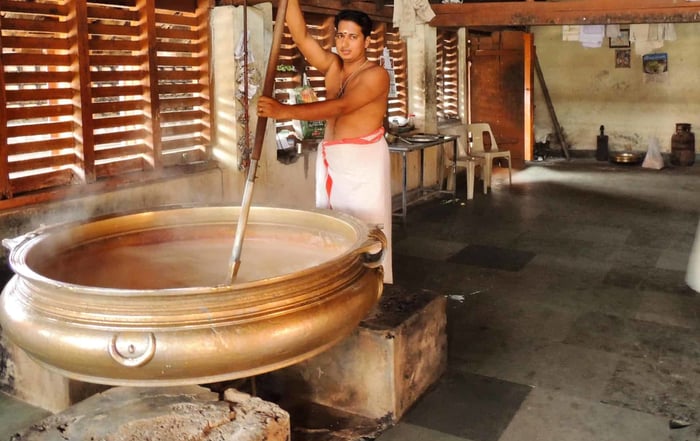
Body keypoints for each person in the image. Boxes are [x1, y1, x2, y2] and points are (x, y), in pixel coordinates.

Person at [257, 1, 393, 284]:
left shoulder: (376, 75)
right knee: (333, 226)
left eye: (353, 36)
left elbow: (342, 107)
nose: (345, 43)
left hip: (363, 163)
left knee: (367, 230)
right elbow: (301, 37)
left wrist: (284, 111)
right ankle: (337, 285)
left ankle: (371, 287)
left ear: (367, 41)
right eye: (340, 35)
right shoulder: (333, 66)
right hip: (332, 158)